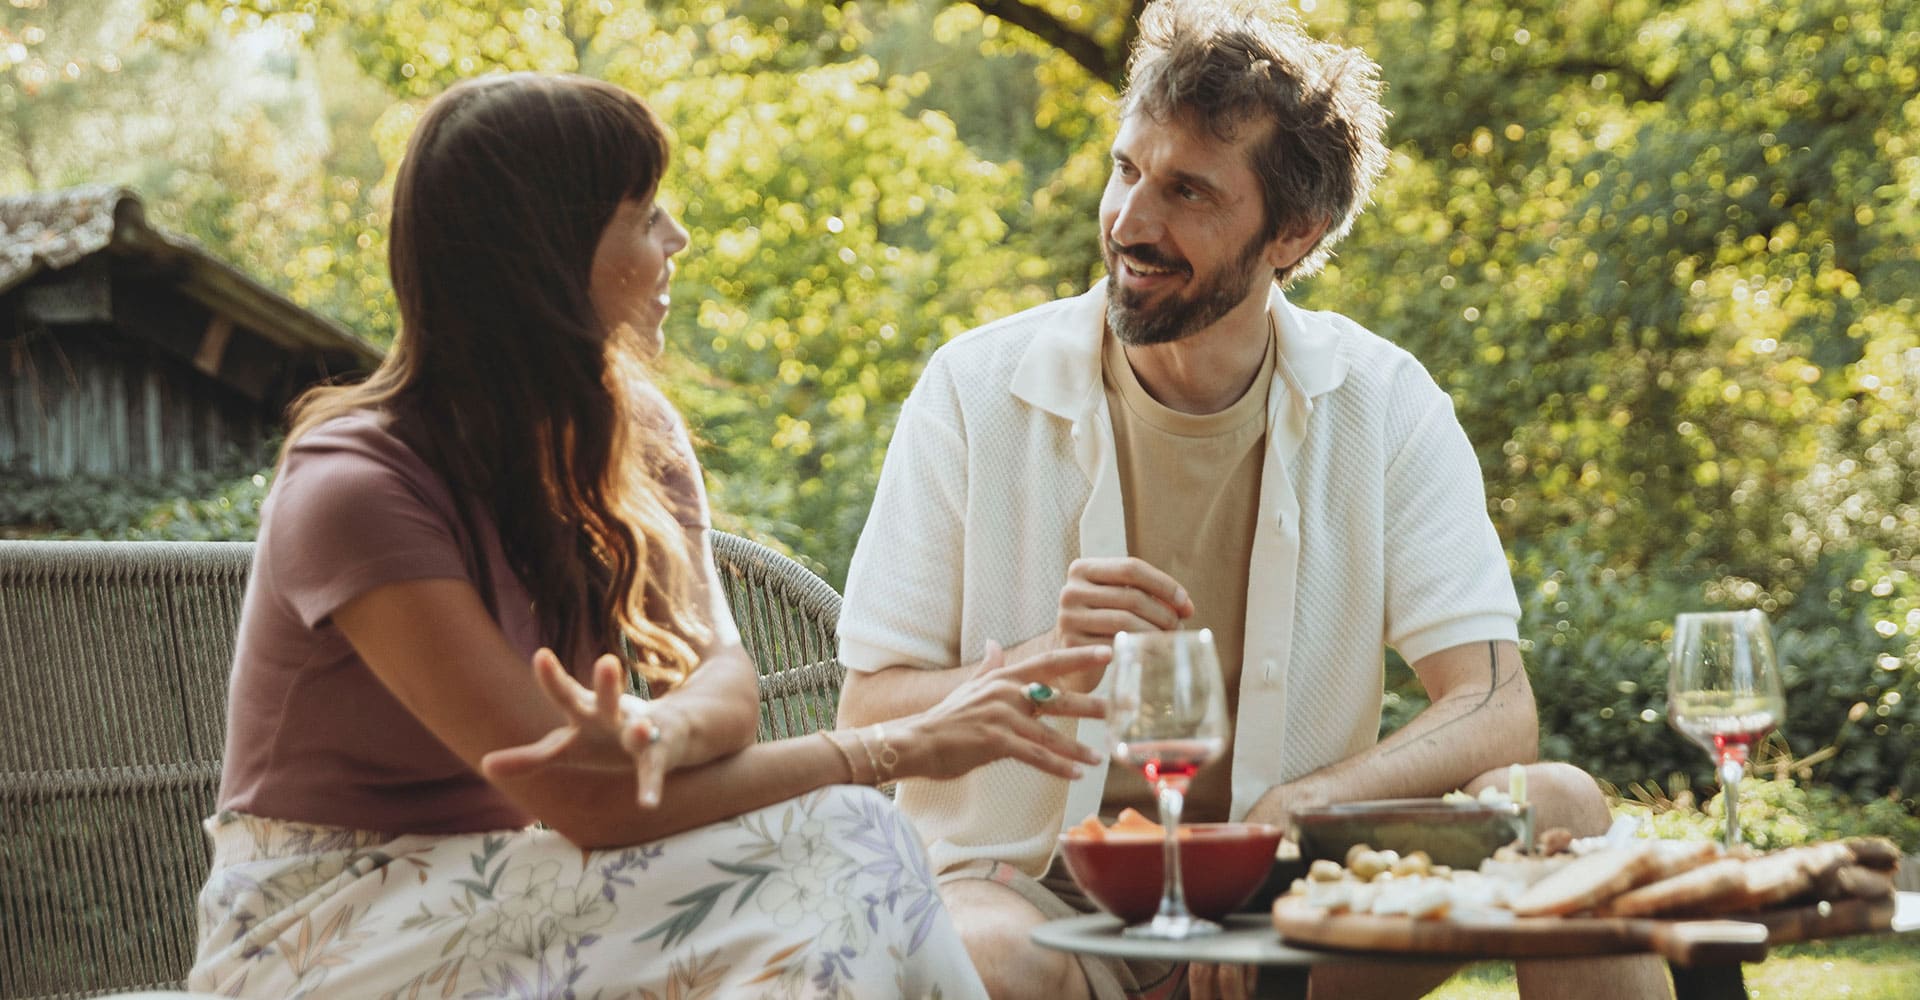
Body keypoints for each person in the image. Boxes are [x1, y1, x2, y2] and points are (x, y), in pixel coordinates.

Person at [187, 72, 1114, 1000]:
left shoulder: (633, 437)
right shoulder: (354, 489)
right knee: (849, 837)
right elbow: (584, 800)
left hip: (528, 888)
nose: (677, 240)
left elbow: (726, 688)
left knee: (838, 867)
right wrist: (893, 749)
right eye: (644, 214)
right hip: (324, 930)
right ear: (544, 254)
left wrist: (662, 728)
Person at [835, 3, 1670, 999]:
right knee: (989, 951)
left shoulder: (1386, 402)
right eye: (1127, 170)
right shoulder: (974, 389)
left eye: (1188, 191)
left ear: (1295, 231)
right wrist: (1032, 674)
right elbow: (867, 704)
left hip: (1296, 896)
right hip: (1031, 891)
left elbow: (1494, 705)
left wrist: (1306, 804)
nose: (1132, 223)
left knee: (1561, 805)